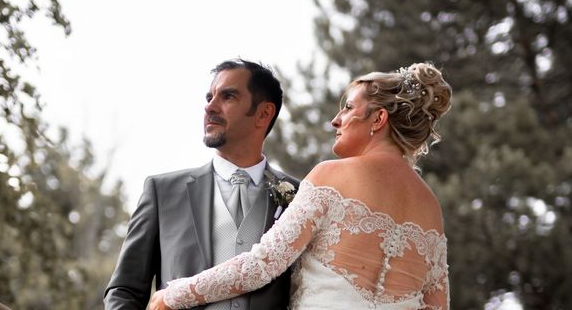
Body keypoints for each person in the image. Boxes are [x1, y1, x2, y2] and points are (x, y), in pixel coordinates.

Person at [149, 62, 452, 310]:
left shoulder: (332, 177)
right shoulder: (430, 207)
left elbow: (261, 266)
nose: (336, 120)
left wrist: (173, 295)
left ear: (379, 118)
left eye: (348, 108)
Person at [104, 59, 300, 310]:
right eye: (209, 98)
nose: (210, 107)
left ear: (263, 114)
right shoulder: (162, 192)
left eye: (228, 96)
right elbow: (124, 291)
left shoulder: (300, 196)